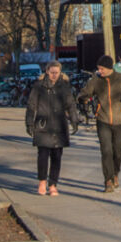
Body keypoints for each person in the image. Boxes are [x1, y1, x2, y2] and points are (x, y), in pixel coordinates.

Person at [80, 55, 121, 193]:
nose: (100, 71)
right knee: (106, 151)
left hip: (119, 120)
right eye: (99, 68)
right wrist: (83, 98)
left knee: (118, 151)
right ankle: (108, 180)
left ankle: (115, 173)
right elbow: (85, 93)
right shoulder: (96, 80)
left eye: (102, 68)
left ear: (109, 68)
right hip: (103, 119)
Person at [25, 61, 79, 196]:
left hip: (59, 125)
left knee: (57, 156)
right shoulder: (39, 86)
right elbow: (31, 105)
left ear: (60, 72)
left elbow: (70, 104)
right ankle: (42, 181)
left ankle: (53, 184)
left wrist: (74, 120)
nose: (54, 75)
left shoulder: (64, 86)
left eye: (57, 72)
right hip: (43, 125)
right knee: (43, 155)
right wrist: (29, 123)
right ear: (47, 71)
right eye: (52, 72)